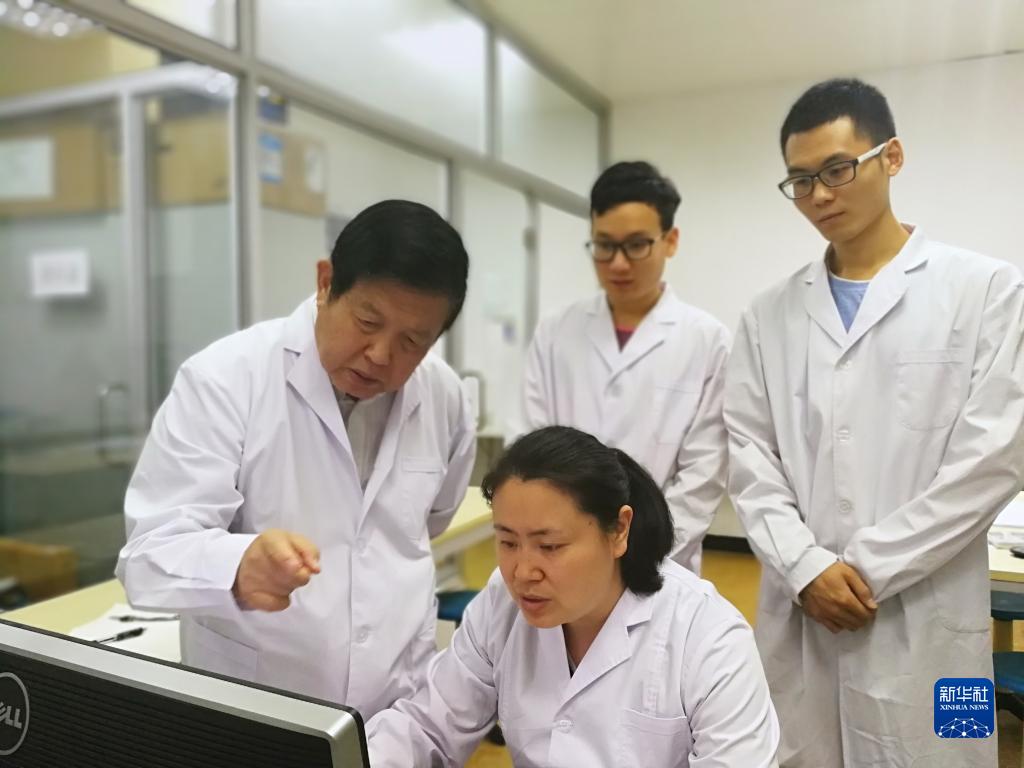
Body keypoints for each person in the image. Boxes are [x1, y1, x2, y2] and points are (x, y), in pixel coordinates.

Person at [724, 78, 1024, 767]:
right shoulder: (766, 317)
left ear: (891, 157)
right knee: (803, 752)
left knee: (952, 749)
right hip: (803, 610)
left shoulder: (986, 290)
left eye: (837, 169)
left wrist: (863, 570)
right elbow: (750, 456)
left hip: (934, 619)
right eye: (801, 181)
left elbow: (994, 459)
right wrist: (806, 569)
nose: (819, 195)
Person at [116, 199, 477, 717]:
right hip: (258, 707)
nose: (380, 354)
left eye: (412, 342)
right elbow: (149, 557)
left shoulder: (445, 396)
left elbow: (433, 518)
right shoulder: (225, 378)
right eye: (367, 321)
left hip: (398, 708)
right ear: (326, 282)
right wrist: (237, 565)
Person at [366, 426, 780, 767]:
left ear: (619, 530)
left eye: (549, 546)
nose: (523, 573)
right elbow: (428, 727)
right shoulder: (501, 605)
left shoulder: (708, 637)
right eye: (508, 542)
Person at [519, 161, 729, 573]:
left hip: (659, 560)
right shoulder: (556, 331)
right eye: (604, 245)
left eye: (636, 245)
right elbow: (531, 442)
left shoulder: (707, 340)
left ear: (670, 241)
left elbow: (703, 474)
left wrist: (640, 549)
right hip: (561, 555)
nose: (617, 263)